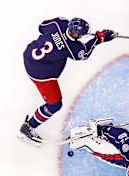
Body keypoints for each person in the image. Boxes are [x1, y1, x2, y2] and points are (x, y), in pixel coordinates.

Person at [19, 17, 117, 146]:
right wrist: (99, 38)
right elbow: (84, 53)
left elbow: (41, 27)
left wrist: (55, 38)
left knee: (58, 58)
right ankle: (27, 128)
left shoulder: (59, 23)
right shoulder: (72, 47)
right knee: (54, 105)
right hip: (40, 73)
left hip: (29, 55)